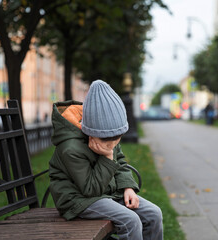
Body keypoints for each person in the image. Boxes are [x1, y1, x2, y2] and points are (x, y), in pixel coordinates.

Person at [49, 80, 163, 240]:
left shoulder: (107, 133)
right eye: (107, 141)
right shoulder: (71, 148)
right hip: (78, 199)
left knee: (153, 214)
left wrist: (127, 187)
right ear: (89, 131)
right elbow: (90, 189)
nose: (112, 145)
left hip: (107, 192)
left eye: (117, 139)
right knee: (130, 221)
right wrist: (108, 157)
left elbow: (121, 162)